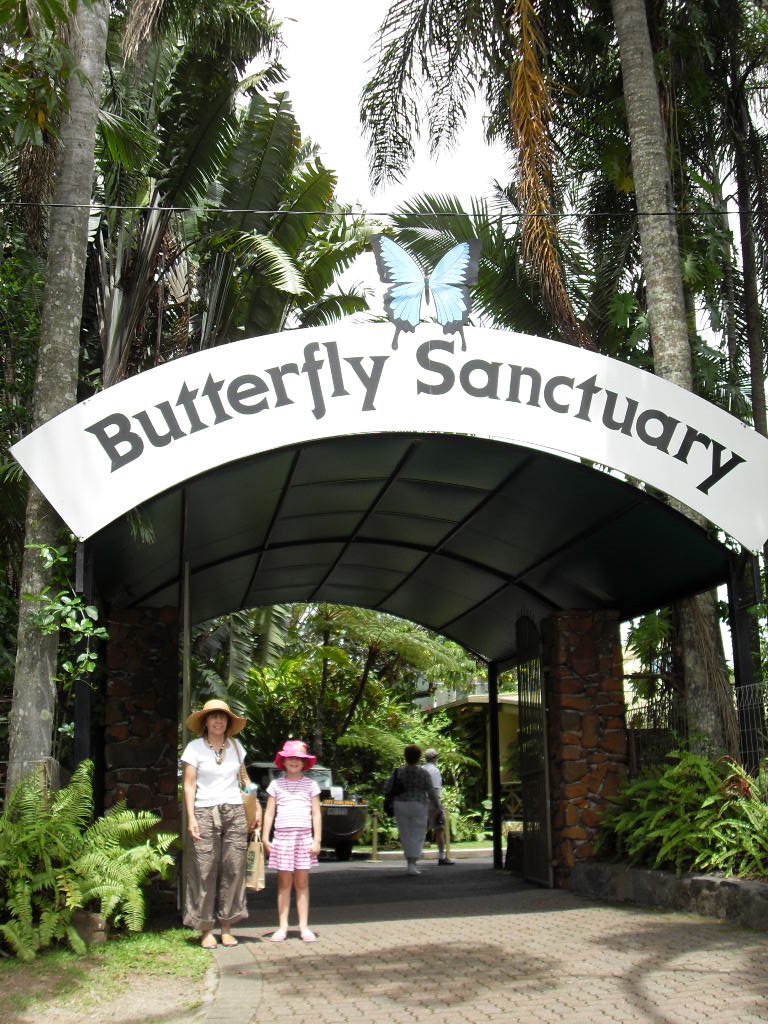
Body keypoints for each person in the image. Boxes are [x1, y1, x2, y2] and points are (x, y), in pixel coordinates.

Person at [181, 698, 261, 950]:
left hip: (235, 811)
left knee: (234, 867)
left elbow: (245, 780)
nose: (218, 721)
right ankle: (205, 928)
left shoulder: (236, 747)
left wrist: (256, 806)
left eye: (222, 717)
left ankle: (226, 926)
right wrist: (191, 817)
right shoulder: (194, 748)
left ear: (228, 722)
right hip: (205, 811)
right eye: (213, 717)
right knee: (204, 869)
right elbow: (189, 784)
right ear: (205, 722)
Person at [261, 739, 322, 942]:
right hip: (282, 838)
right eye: (290, 758)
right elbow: (269, 813)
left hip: (304, 838)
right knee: (284, 882)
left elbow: (316, 814)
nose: (294, 762)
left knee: (302, 882)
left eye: (298, 759)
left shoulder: (311, 785)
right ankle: (283, 926)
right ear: (283, 761)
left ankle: (304, 927)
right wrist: (265, 837)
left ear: (304, 763)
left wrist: (317, 840)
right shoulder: (276, 785)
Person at [385, 743, 441, 876]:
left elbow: (387, 788)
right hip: (419, 805)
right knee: (418, 834)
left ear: (405, 757)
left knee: (405, 833)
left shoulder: (398, 772)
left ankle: (409, 861)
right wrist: (438, 807)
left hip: (401, 805)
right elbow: (431, 792)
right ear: (419, 757)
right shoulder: (423, 773)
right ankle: (413, 862)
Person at [423, 748, 454, 864]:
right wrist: (439, 808)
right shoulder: (434, 771)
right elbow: (435, 790)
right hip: (432, 803)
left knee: (421, 830)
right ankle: (442, 856)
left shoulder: (421, 769)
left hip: (421, 803)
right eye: (436, 757)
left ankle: (413, 857)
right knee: (439, 829)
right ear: (434, 758)